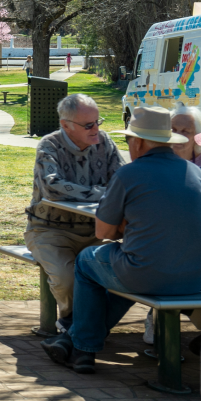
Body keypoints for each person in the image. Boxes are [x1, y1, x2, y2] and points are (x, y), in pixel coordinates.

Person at [42, 105, 201, 374]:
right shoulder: (195, 173)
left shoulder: (129, 174)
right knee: (126, 270)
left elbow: (103, 233)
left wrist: (126, 227)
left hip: (147, 273)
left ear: (137, 142)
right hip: (195, 277)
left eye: (128, 140)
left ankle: (82, 347)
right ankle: (72, 340)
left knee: (88, 262)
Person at [25, 94, 123, 332]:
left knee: (130, 270)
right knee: (66, 279)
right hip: (49, 231)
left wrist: (102, 193)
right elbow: (52, 187)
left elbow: (122, 182)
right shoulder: (49, 145)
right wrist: (101, 193)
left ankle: (84, 329)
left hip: (96, 232)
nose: (96, 130)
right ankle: (78, 327)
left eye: (98, 122)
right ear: (66, 125)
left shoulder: (105, 143)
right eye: (88, 125)